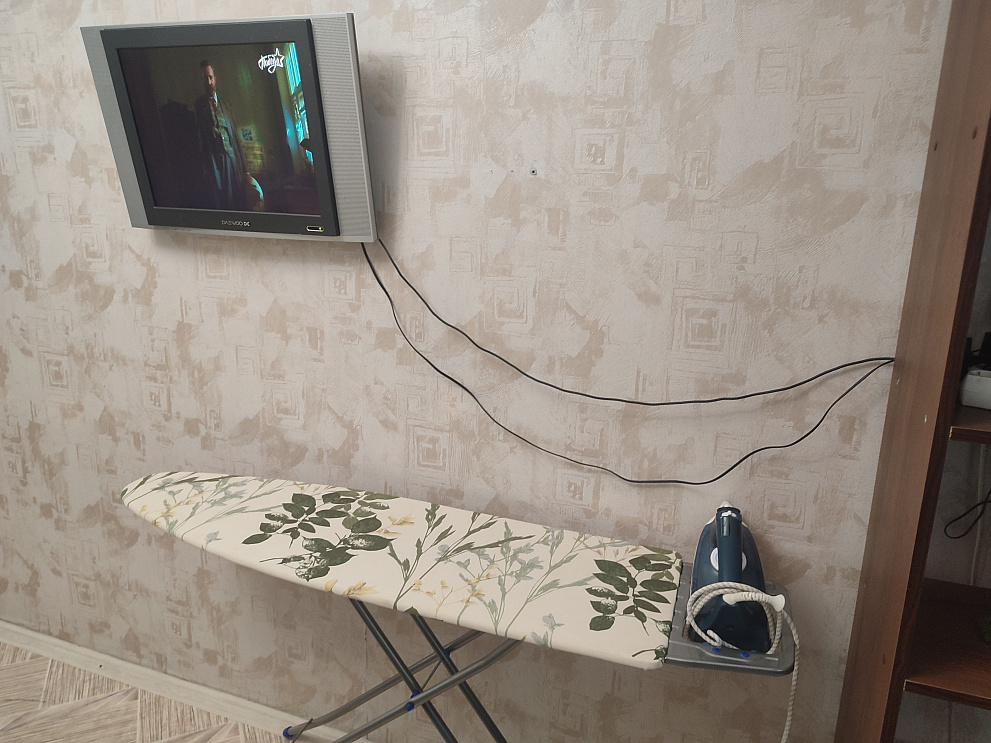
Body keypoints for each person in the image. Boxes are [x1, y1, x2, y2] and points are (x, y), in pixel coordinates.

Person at [194, 59, 252, 211]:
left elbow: (236, 139)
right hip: (216, 164)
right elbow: (201, 140)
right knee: (224, 202)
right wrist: (206, 169)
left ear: (215, 78)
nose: (209, 82)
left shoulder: (226, 105)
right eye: (205, 78)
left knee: (240, 200)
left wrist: (245, 169)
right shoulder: (199, 105)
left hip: (233, 160)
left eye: (210, 77)